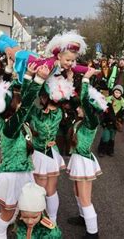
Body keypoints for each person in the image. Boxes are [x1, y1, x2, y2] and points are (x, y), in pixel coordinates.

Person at [0, 63, 50, 239]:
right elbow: (26, 105)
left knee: (22, 212)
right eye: (17, 102)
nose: (21, 103)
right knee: (7, 215)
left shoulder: (15, 121)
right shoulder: (8, 126)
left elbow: (24, 99)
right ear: (11, 106)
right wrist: (39, 80)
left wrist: (28, 75)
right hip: (11, 176)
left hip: (24, 173)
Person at [67, 68, 107, 239]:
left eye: (81, 108)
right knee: (76, 191)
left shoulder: (91, 121)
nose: (77, 109)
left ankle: (93, 233)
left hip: (83, 161)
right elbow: (75, 99)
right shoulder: (82, 119)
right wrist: (69, 79)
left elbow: (82, 98)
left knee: (85, 198)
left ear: (89, 109)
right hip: (78, 158)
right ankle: (83, 218)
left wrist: (85, 78)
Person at [28, 75, 73, 224]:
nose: (40, 99)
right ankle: (52, 221)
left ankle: (40, 221)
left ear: (45, 98)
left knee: (40, 190)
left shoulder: (38, 114)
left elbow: (27, 102)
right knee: (51, 190)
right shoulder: (59, 112)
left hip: (41, 154)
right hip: (52, 154)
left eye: (42, 96)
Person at [0, 31, 90, 84]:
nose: (70, 63)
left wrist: (89, 70)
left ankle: (2, 36)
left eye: (72, 60)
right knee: (9, 51)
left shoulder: (60, 62)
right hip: (25, 59)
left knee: (16, 47)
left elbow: (74, 67)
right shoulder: (51, 64)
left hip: (33, 57)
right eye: (68, 60)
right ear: (59, 56)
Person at [97, 85, 124, 157]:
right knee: (105, 137)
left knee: (112, 137)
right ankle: (101, 150)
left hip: (115, 123)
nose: (117, 94)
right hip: (107, 122)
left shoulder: (122, 102)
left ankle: (110, 150)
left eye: (119, 93)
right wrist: (103, 120)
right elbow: (103, 111)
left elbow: (123, 113)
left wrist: (121, 121)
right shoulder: (108, 99)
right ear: (113, 92)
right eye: (116, 92)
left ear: (121, 94)